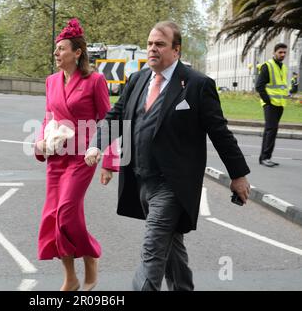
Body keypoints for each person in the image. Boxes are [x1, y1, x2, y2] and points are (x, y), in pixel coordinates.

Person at [85, 21, 251, 291]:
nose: (152, 49)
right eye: (150, 44)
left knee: (152, 249)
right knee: (171, 244)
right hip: (141, 179)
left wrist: (238, 176)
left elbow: (219, 132)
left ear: (177, 50)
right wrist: (97, 144)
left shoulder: (197, 84)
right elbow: (115, 115)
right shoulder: (138, 79)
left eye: (160, 44)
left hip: (173, 185)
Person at [34, 18, 118, 291]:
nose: (56, 54)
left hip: (83, 157)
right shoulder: (51, 82)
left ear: (77, 52)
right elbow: (49, 118)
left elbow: (109, 120)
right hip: (57, 157)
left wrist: (110, 162)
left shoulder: (94, 81)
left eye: (61, 49)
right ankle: (70, 276)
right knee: (54, 216)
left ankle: (91, 255)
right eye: (56, 50)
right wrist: (40, 142)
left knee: (67, 213)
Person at [255, 43, 289, 167]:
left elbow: (282, 85)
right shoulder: (267, 66)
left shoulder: (283, 67)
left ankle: (266, 157)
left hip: (280, 103)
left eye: (284, 52)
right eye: (280, 52)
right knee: (271, 130)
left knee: (272, 130)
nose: (283, 54)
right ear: (274, 52)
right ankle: (264, 158)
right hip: (270, 104)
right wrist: (268, 101)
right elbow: (259, 86)